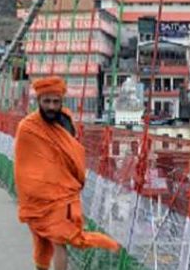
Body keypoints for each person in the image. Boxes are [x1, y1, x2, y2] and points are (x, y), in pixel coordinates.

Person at [14, 76, 120, 270]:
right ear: (38, 102)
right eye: (46, 101)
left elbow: (72, 154)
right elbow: (23, 166)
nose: (51, 107)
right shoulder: (27, 128)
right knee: (41, 239)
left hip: (62, 194)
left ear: (61, 101)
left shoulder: (67, 122)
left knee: (58, 239)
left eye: (56, 101)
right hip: (37, 196)